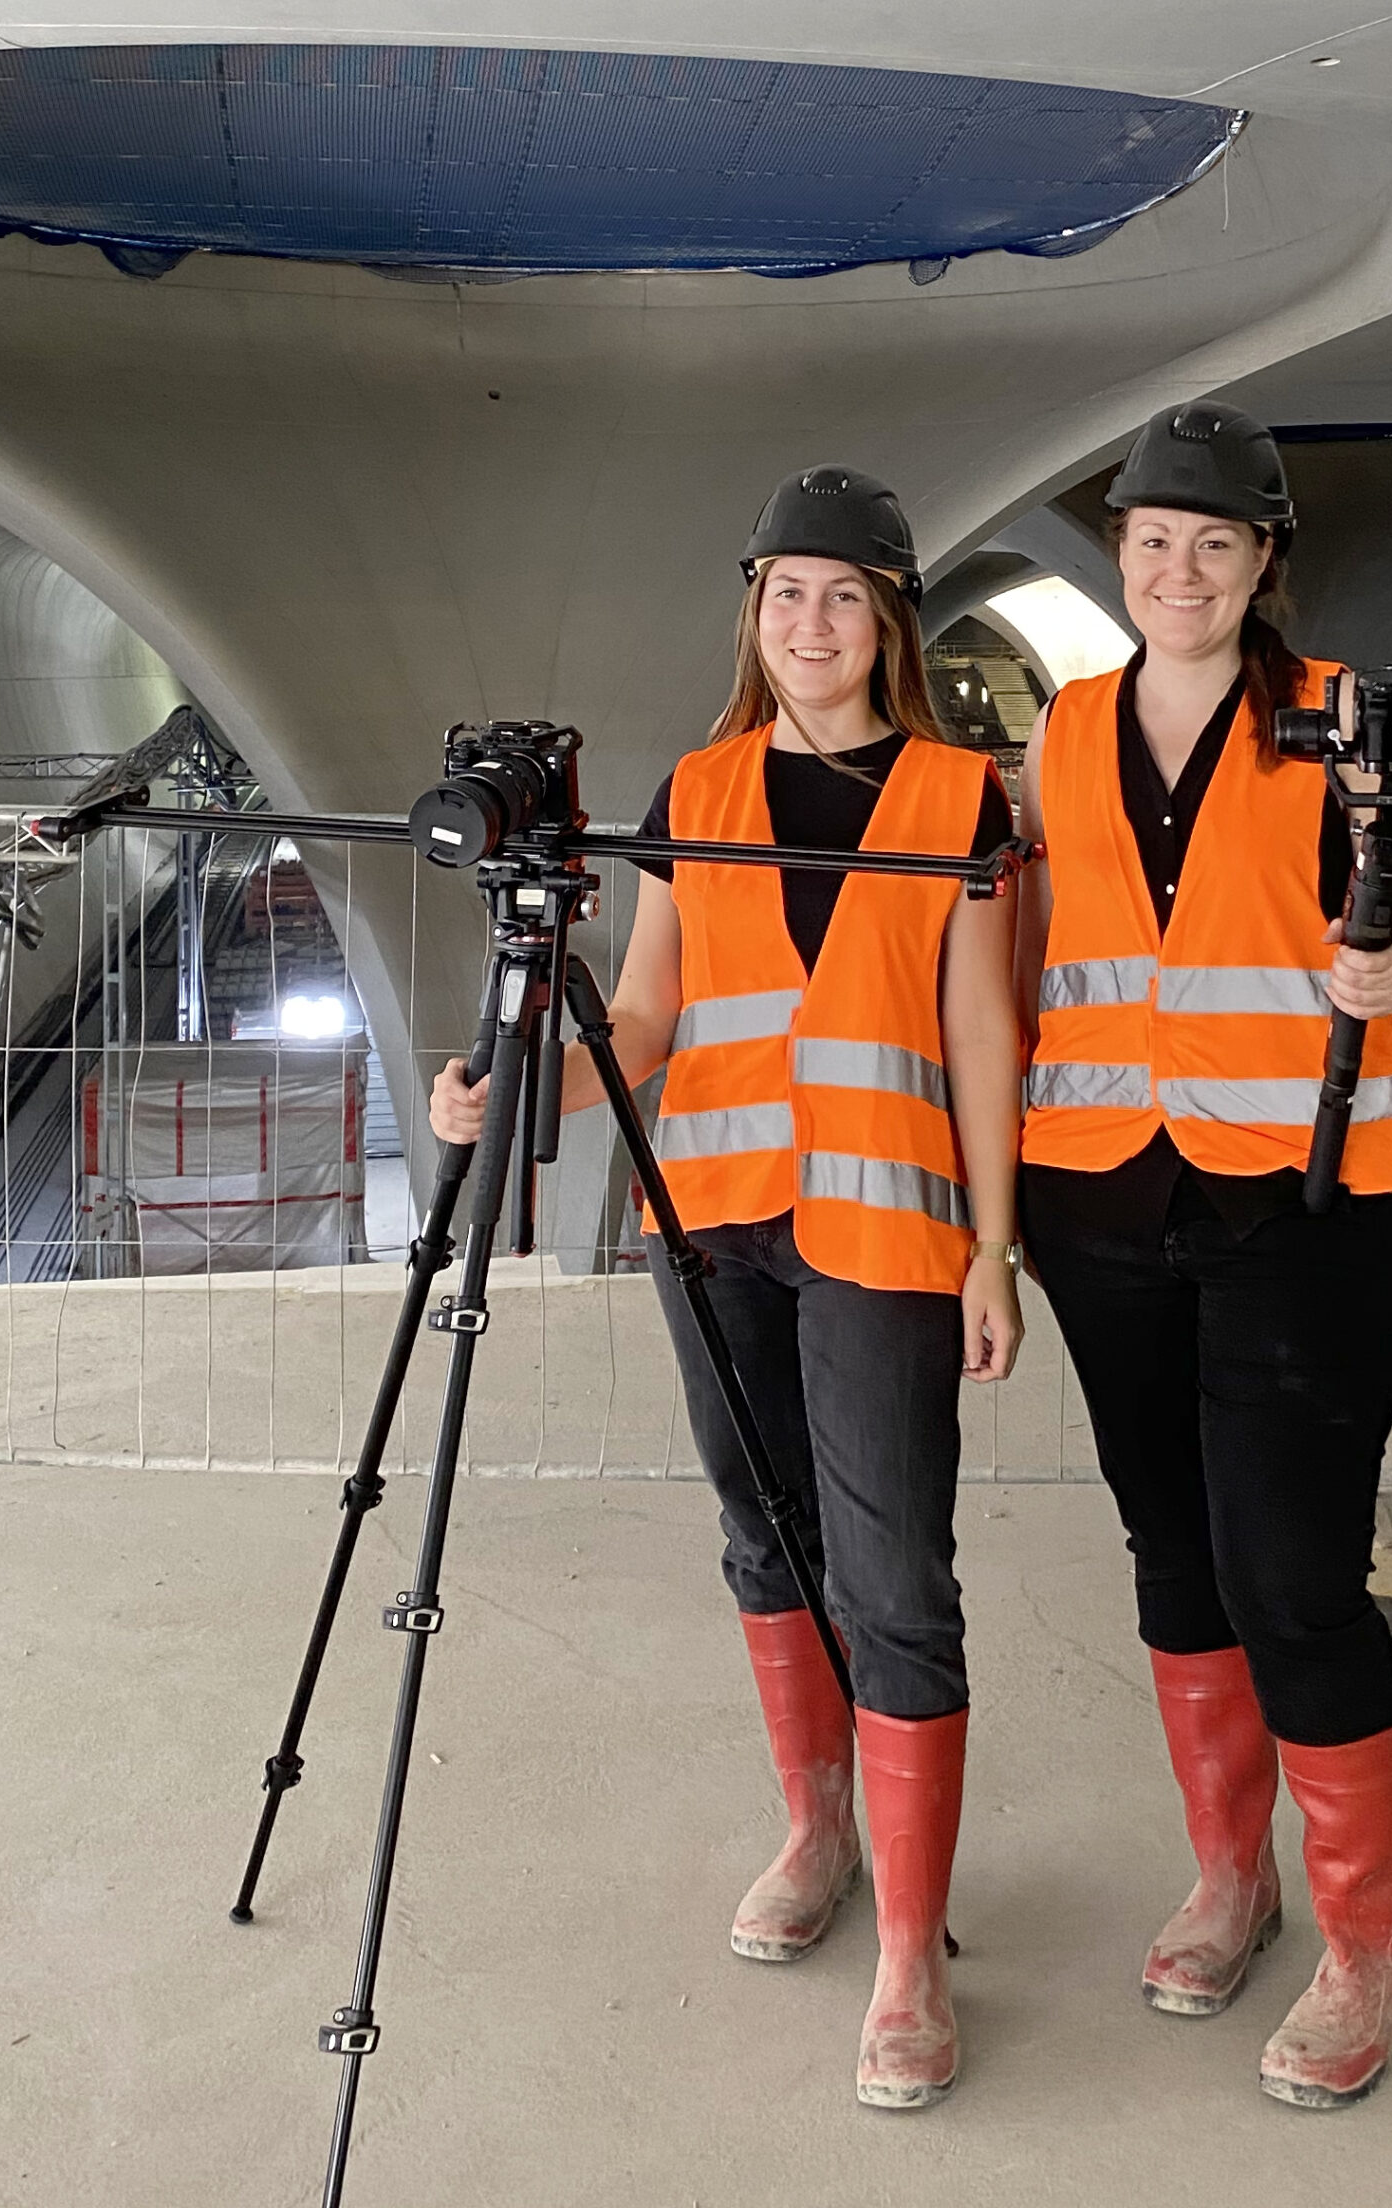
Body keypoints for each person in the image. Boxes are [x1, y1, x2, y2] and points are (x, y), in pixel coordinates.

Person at [431, 465, 1024, 2111]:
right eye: (786, 596)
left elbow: (986, 1030)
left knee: (896, 1564)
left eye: (845, 596)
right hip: (716, 1221)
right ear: (753, 616)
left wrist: (997, 1242)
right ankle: (818, 1828)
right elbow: (646, 1025)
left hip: (892, 1230)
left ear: (890, 619)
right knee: (764, 1529)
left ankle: (910, 1949)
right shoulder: (698, 788)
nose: (812, 623)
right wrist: (517, 1084)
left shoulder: (966, 800)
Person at [1014, 401, 1392, 2110]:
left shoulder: (1350, 719)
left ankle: (1369, 1943)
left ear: (1266, 561)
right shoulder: (1062, 728)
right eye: (1149, 541)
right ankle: (1232, 1877)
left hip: (1306, 1202)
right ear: (1118, 557)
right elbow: (1044, 944)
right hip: (1104, 1196)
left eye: (1213, 542)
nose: (1176, 569)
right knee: (1173, 1551)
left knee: (1295, 1578)